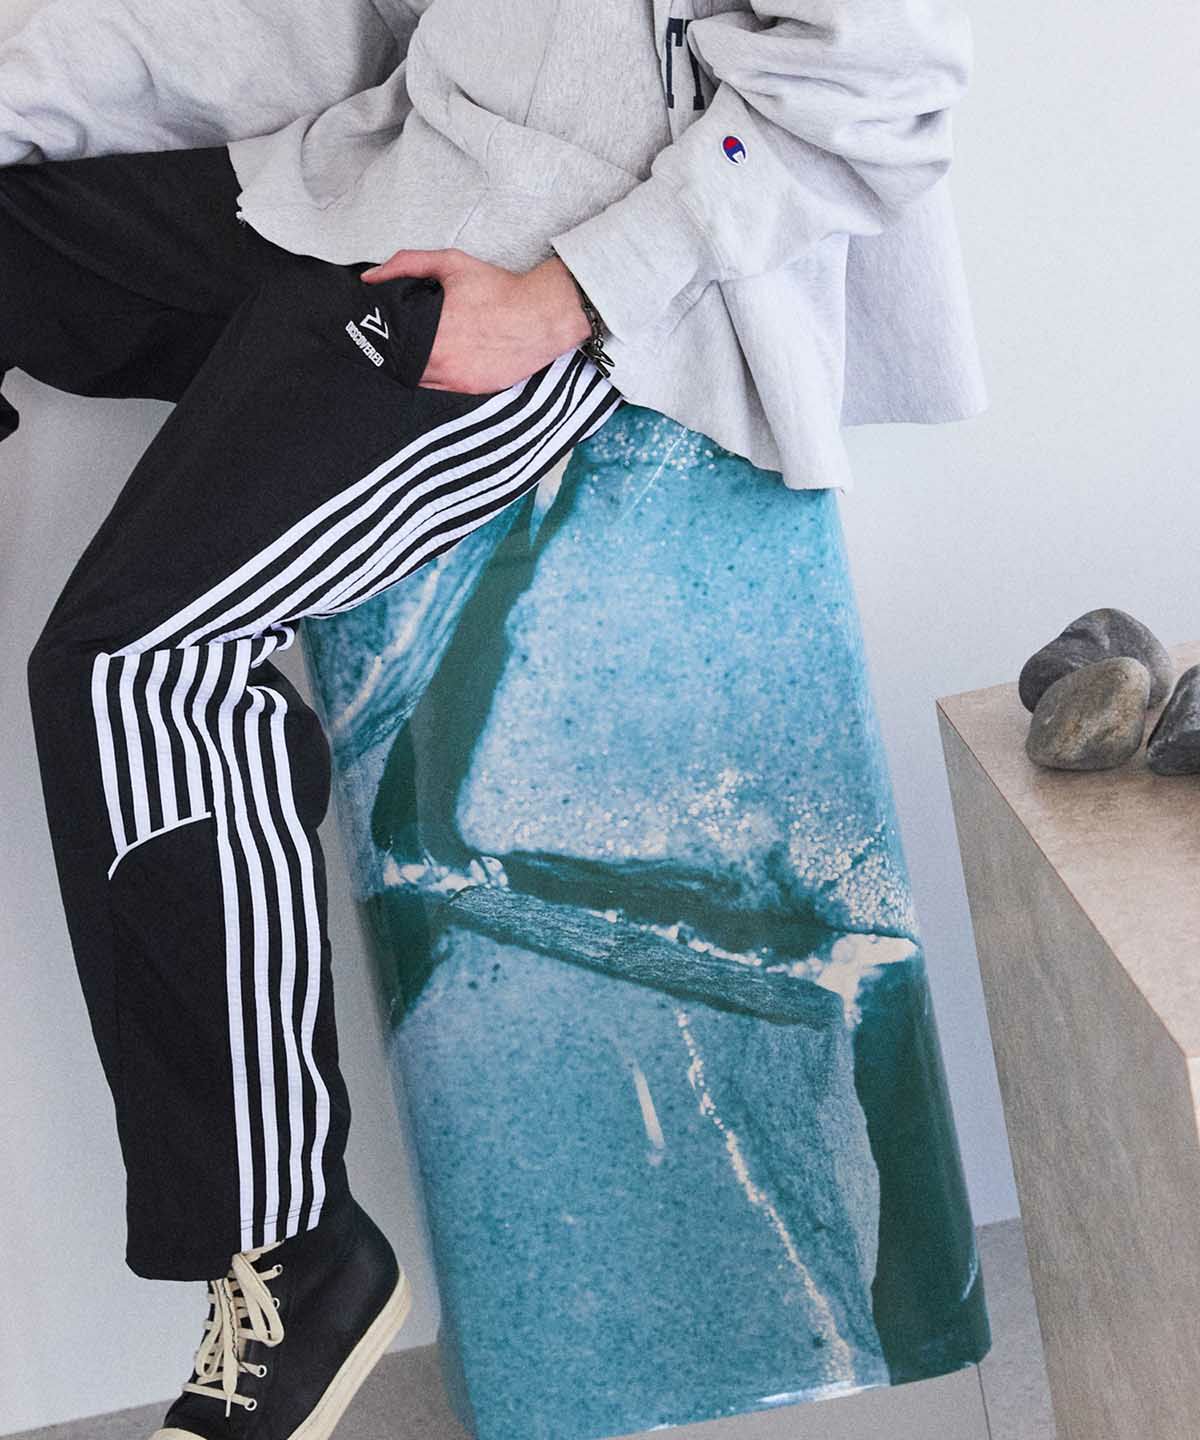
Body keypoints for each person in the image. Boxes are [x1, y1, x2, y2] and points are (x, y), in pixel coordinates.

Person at [0, 0, 980, 1436]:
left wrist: (575, 291)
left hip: (542, 273)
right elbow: (336, 27)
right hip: (386, 178)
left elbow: (888, 77)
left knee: (137, 667)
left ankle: (292, 1246)